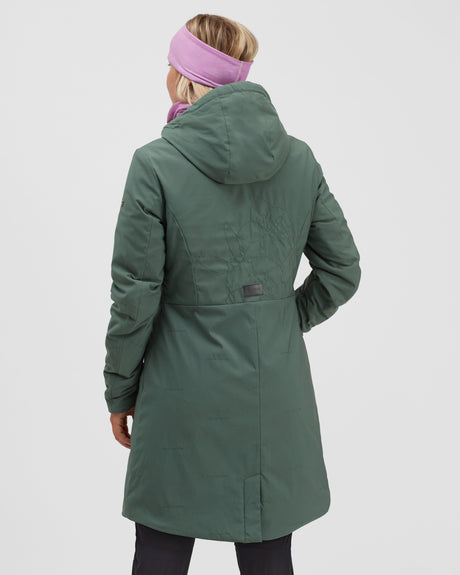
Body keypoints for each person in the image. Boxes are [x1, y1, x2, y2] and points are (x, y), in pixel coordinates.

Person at [103, 13, 361, 575]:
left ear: (186, 78)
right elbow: (343, 270)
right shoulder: (297, 158)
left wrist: (119, 390)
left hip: (177, 394)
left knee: (162, 551)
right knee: (268, 554)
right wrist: (279, 320)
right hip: (272, 395)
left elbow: (134, 298)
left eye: (170, 63)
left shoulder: (155, 164)